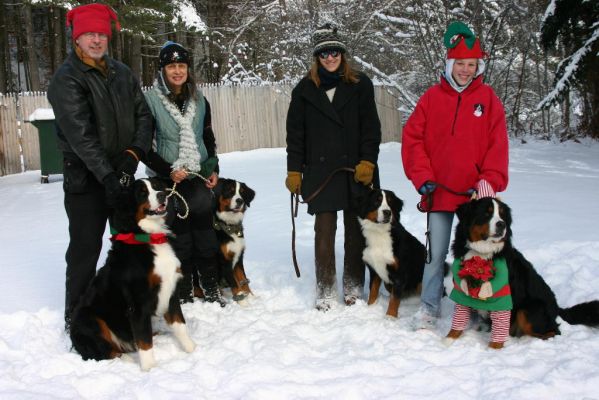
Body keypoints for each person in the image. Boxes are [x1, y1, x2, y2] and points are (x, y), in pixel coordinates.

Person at [47, 3, 153, 331]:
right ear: (76, 39)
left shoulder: (122, 73)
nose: (96, 40)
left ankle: (130, 307)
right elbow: (80, 135)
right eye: (89, 35)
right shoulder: (66, 80)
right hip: (87, 181)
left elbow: (143, 116)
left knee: (129, 242)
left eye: (101, 34)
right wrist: (107, 173)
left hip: (121, 172)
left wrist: (133, 154)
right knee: (86, 247)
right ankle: (77, 316)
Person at [401, 21, 509, 329]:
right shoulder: (432, 99)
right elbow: (413, 140)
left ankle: (475, 305)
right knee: (435, 255)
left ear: (479, 66)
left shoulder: (488, 100)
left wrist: (488, 181)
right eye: (459, 63)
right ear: (450, 64)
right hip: (439, 192)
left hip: (475, 197)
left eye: (471, 64)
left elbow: (497, 145)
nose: (465, 69)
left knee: (476, 255)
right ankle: (429, 306)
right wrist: (422, 177)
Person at [286, 24, 382, 311]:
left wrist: (368, 161)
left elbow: (371, 128)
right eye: (324, 53)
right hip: (320, 171)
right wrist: (294, 170)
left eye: (335, 52)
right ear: (317, 57)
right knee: (324, 232)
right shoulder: (304, 90)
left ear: (343, 54)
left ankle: (353, 287)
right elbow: (296, 135)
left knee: (355, 231)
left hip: (356, 169)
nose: (330, 57)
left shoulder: (360, 84)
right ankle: (325, 290)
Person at [143, 41, 224, 306]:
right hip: (167, 179)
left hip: (197, 175)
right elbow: (143, 145)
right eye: (171, 66)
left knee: (204, 231)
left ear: (188, 69)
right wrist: (169, 170)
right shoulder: (151, 101)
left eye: (181, 65)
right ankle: (184, 289)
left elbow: (208, 136)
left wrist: (214, 168)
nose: (177, 71)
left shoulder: (199, 100)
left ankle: (210, 285)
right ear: (162, 70)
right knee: (179, 234)